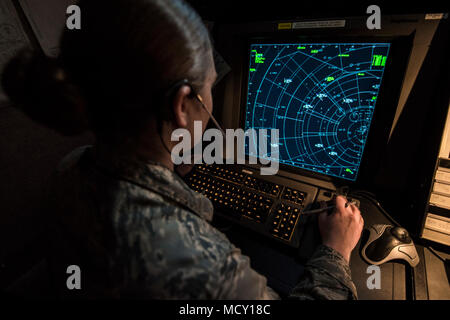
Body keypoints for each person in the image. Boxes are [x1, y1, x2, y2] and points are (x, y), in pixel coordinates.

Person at [2, 0, 363, 299]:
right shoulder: (201, 265)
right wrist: (336, 252)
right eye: (210, 85)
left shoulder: (70, 168)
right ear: (182, 104)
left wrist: (168, 164)